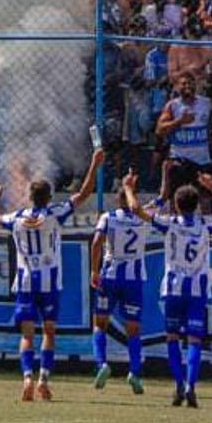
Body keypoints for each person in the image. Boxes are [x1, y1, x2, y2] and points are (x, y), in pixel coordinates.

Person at [0, 144, 104, 401]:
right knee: (49, 332)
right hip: (50, 282)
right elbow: (84, 193)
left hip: (25, 282)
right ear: (49, 198)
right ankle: (44, 379)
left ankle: (27, 376)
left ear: (30, 197)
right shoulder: (55, 214)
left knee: (27, 335)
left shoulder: (17, 218)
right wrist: (95, 164)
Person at [122, 170, 212, 408]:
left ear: (175, 204)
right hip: (198, 289)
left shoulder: (170, 224)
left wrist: (128, 188)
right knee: (195, 340)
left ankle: (178, 384)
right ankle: (190, 385)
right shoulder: (205, 224)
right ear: (197, 205)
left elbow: (136, 210)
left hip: (174, 288)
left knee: (173, 338)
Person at [90, 167, 151, 394]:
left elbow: (97, 242)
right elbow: (163, 198)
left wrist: (94, 271)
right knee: (133, 329)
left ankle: (101, 364)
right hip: (133, 280)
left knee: (100, 323)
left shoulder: (108, 217)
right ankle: (134, 372)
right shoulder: (143, 217)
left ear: (117, 200)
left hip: (110, 275)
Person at [156, 71, 212, 197]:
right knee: (176, 197)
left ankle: (207, 218)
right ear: (177, 87)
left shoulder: (206, 104)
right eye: (183, 83)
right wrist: (179, 122)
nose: (187, 86)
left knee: (206, 198)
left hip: (202, 160)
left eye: (190, 83)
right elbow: (159, 129)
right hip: (179, 159)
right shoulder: (173, 106)